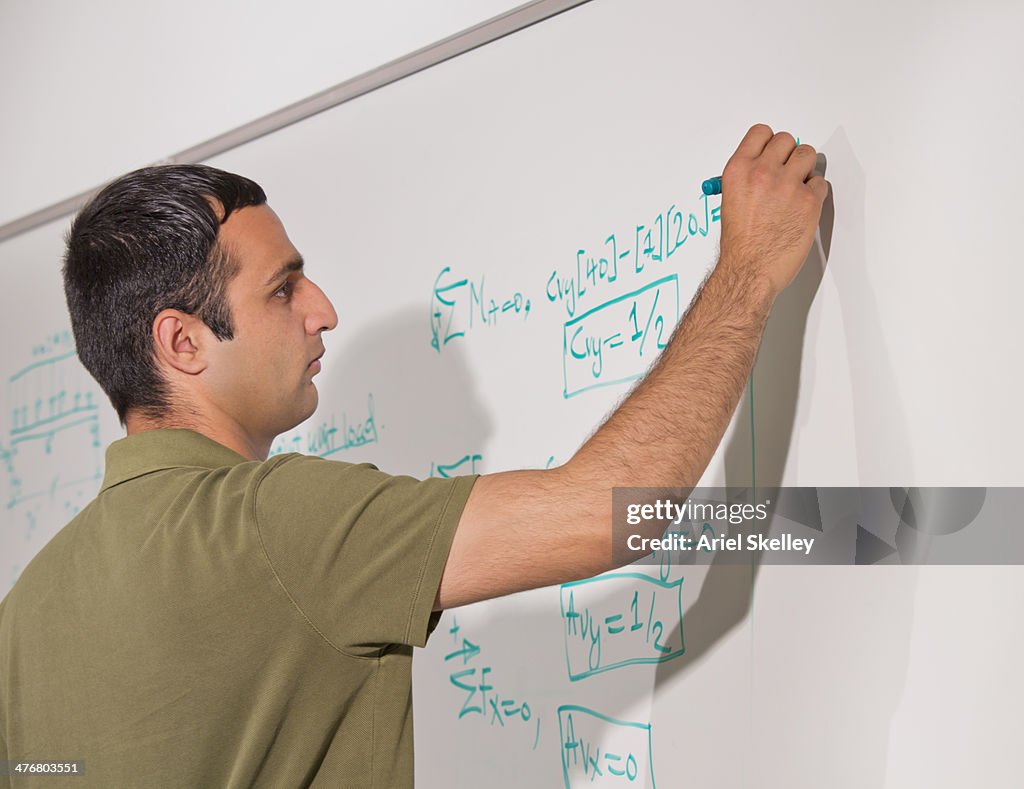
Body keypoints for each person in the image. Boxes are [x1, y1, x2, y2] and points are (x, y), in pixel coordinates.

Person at [0, 124, 828, 787]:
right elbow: (608, 508)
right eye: (282, 289)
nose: (321, 310)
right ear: (182, 342)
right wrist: (748, 272)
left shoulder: (23, 613)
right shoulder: (271, 525)